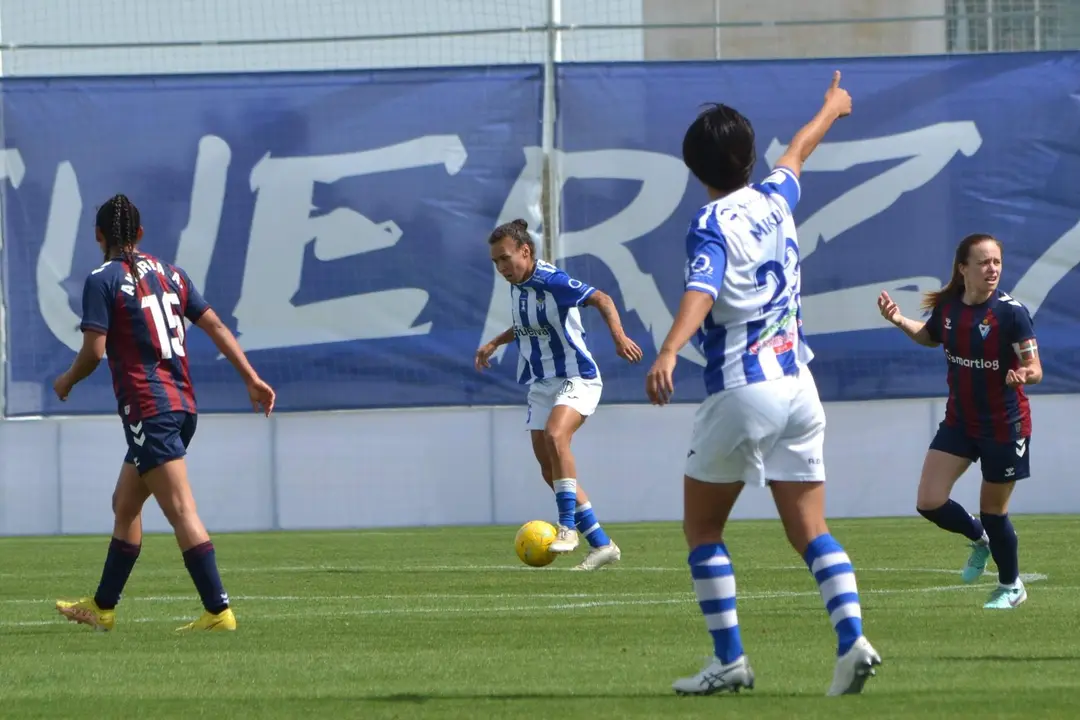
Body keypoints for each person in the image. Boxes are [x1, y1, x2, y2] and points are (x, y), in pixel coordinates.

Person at [645, 72, 881, 697]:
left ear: (695, 167)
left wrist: (669, 348)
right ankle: (852, 637)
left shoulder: (709, 221)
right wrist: (832, 106)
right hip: (799, 387)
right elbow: (798, 150)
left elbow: (702, 288)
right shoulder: (776, 197)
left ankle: (729, 661)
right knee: (811, 529)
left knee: (703, 531)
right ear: (748, 157)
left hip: (741, 389)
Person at [53, 193, 276, 632]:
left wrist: (65, 381)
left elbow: (94, 352)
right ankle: (103, 607)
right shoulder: (172, 274)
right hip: (182, 405)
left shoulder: (102, 279)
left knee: (180, 508)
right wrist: (250, 378)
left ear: (99, 236)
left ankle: (218, 611)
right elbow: (214, 324)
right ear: (139, 233)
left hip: (149, 407)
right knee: (125, 503)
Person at [877, 232, 1040, 610]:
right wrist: (900, 319)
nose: (992, 269)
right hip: (961, 422)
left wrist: (1024, 375)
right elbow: (932, 337)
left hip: (1005, 425)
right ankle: (979, 538)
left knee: (994, 511)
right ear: (963, 269)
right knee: (929, 501)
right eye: (984, 262)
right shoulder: (950, 307)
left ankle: (1012, 585)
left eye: (997, 262)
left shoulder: (1011, 313)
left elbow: (1035, 366)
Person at [476, 218, 642, 570]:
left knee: (556, 435)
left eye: (506, 258)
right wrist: (494, 342)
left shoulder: (551, 280)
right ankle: (602, 545)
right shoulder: (517, 285)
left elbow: (602, 298)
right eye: (496, 262)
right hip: (542, 383)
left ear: (525, 251)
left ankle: (567, 528)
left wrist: (618, 337)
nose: (501, 267)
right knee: (547, 468)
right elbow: (527, 326)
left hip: (576, 376)